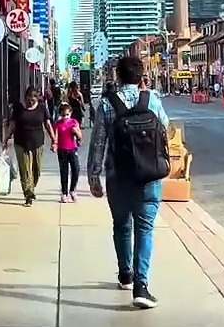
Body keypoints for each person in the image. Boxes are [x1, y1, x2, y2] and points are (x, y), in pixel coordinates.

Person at [87, 56, 169, 309]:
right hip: (149, 175)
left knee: (122, 225)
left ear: (118, 76)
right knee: (144, 228)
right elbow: (164, 126)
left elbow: (99, 141)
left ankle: (125, 274)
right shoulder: (152, 99)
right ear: (141, 77)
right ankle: (141, 286)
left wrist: (94, 176)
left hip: (117, 176)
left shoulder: (106, 104)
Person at [3, 86, 56, 206]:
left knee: (36, 170)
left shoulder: (42, 108)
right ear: (25, 97)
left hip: (38, 142)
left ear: (37, 99)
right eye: (28, 99)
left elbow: (47, 124)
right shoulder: (18, 108)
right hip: (21, 143)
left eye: (32, 100)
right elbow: (12, 125)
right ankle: (28, 194)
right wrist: (6, 139)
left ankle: (31, 187)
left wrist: (54, 139)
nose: (30, 102)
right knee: (25, 170)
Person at [54, 103, 83, 202]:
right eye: (63, 115)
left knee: (76, 169)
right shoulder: (58, 124)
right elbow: (56, 136)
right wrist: (54, 144)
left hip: (72, 149)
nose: (65, 117)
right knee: (64, 172)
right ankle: (64, 192)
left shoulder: (74, 122)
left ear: (70, 113)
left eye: (67, 114)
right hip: (62, 150)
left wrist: (75, 131)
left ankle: (72, 189)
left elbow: (80, 136)